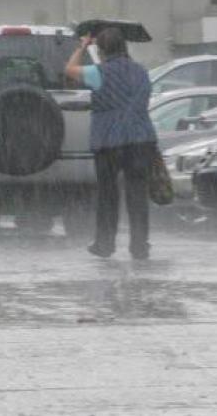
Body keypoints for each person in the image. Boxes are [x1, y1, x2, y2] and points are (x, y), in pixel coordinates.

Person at [64, 27, 157, 260]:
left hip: (108, 141)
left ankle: (105, 244)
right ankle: (139, 246)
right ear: (124, 47)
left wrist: (82, 47)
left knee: (108, 194)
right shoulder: (141, 72)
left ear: (101, 50)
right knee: (138, 193)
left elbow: (69, 70)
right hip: (141, 139)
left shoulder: (98, 72)